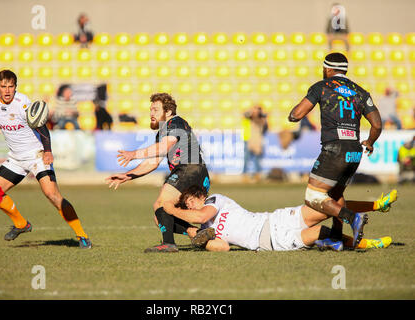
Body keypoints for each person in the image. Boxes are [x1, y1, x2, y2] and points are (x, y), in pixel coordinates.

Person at [0, 70, 91, 248]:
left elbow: (41, 126)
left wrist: (47, 151)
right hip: (16, 158)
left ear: (16, 87)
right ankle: (21, 224)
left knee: (52, 195)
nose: (7, 90)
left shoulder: (23, 103)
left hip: (36, 155)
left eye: (11, 86)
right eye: (4, 86)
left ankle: (82, 236)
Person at [288, 52, 382, 248]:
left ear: (328, 69)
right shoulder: (361, 91)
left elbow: (296, 115)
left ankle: (353, 218)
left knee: (313, 197)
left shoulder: (321, 87)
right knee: (335, 195)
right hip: (355, 151)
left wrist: (292, 115)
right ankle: (337, 237)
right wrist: (370, 142)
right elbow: (377, 125)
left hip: (335, 149)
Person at [105, 93, 210, 253]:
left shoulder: (174, 122)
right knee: (160, 216)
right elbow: (152, 162)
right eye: (150, 110)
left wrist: (133, 154)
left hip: (189, 169)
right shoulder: (163, 131)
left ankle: (168, 244)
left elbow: (163, 148)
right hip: (197, 173)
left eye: (155, 109)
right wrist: (128, 175)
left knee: (161, 205)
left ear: (168, 112)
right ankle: (194, 232)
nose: (151, 113)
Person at [163, 186, 396, 252]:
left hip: (275, 220)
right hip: (272, 242)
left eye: (190, 200)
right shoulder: (204, 227)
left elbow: (201, 214)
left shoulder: (214, 199)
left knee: (329, 203)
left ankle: (376, 205)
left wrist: (172, 210)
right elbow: (222, 247)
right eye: (185, 205)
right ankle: (367, 243)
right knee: (322, 233)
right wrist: (197, 236)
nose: (189, 204)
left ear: (200, 195)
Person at [242, 105, 268, 181]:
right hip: (249, 140)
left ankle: (257, 176)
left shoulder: (261, 119)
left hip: (257, 141)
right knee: (246, 159)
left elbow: (265, 126)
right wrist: (252, 112)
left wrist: (260, 115)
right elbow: (245, 114)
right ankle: (245, 176)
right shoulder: (249, 117)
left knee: (257, 160)